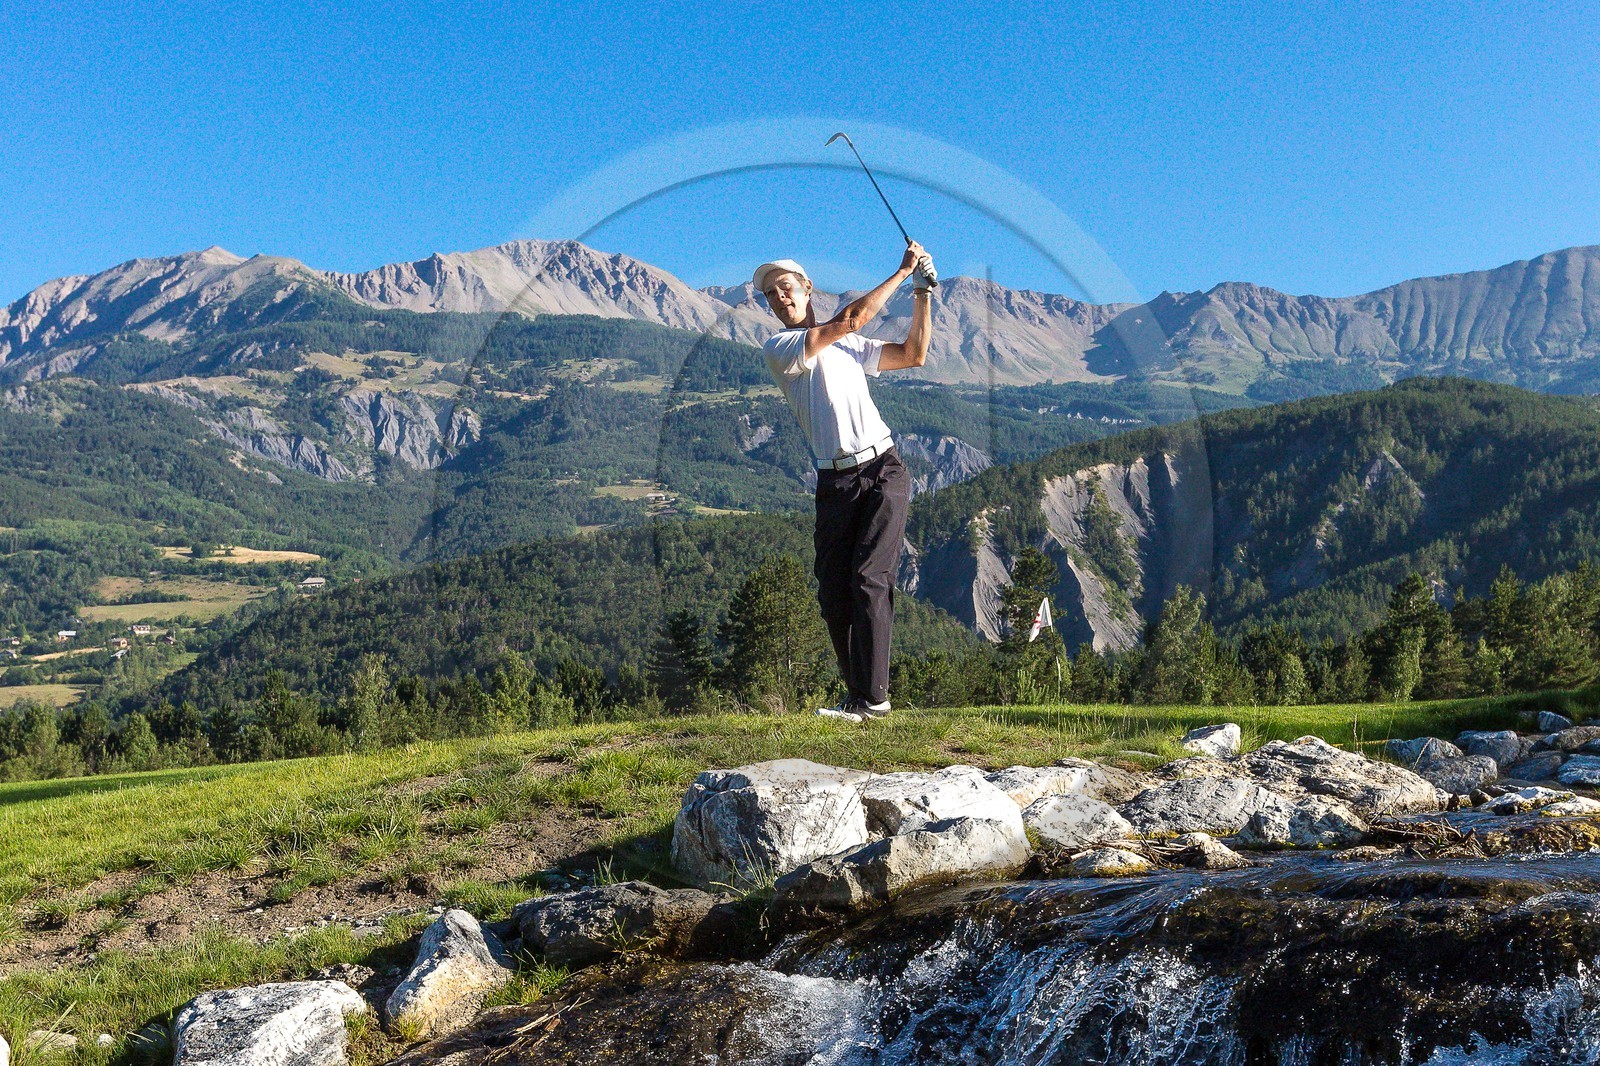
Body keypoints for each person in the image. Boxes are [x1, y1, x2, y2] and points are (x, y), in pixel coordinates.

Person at [753, 240, 935, 721]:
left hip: (883, 470)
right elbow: (850, 320)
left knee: (868, 578)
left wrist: (921, 293)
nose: (780, 299)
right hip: (834, 483)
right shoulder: (781, 347)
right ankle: (859, 697)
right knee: (834, 592)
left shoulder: (848, 344)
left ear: (807, 288)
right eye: (771, 295)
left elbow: (913, 354)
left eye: (786, 288)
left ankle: (875, 699)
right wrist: (902, 272)